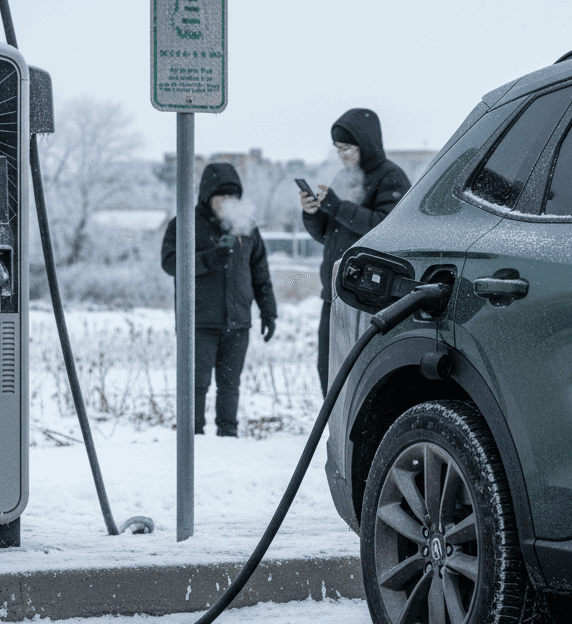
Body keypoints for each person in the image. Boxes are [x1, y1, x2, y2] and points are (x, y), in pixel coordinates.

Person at [161, 162, 277, 437]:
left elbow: (260, 273)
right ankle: (193, 438)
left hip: (237, 323)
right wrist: (208, 259)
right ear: (206, 195)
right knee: (195, 385)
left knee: (229, 385)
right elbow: (169, 263)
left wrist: (268, 312)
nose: (226, 203)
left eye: (232, 197)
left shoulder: (246, 227)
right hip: (198, 322)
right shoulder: (184, 223)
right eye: (220, 197)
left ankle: (228, 436)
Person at [300, 108, 410, 394]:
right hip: (334, 293)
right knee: (329, 371)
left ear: (366, 144)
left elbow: (386, 228)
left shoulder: (391, 178)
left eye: (347, 148)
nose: (342, 154)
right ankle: (333, 435)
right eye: (338, 148)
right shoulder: (342, 177)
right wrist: (313, 213)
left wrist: (337, 207)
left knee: (361, 376)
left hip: (368, 298)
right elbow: (328, 234)